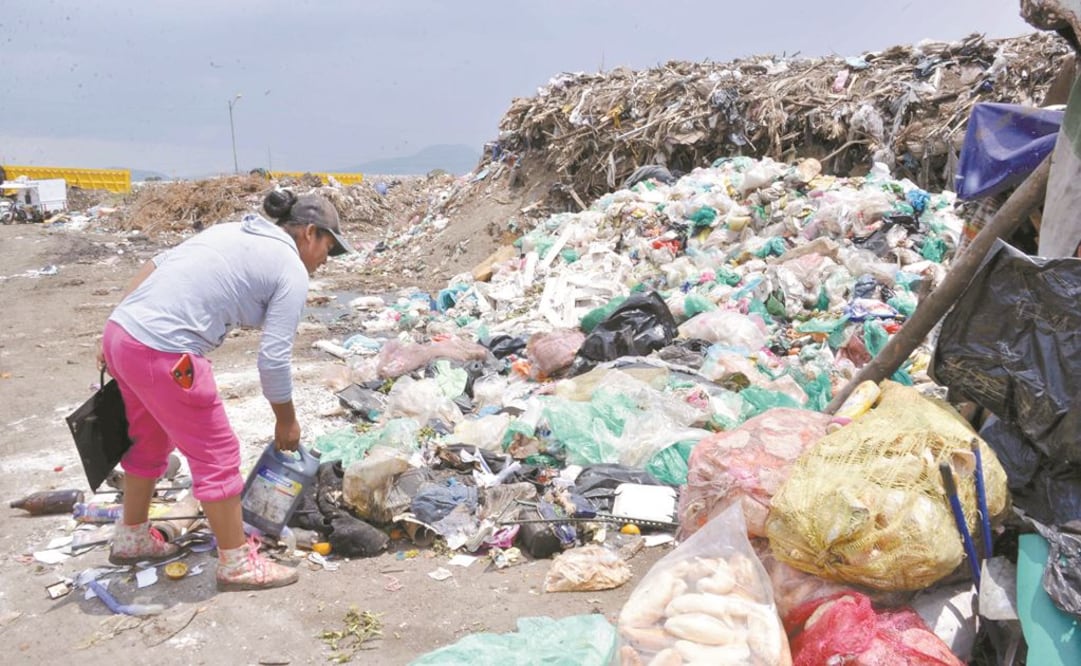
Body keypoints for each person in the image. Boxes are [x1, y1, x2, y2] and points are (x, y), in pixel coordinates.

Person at [98, 190, 352, 591]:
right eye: (329, 247)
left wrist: (117, 323)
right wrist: (287, 422)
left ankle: (132, 537)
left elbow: (156, 264)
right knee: (216, 452)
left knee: (148, 441)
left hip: (122, 334)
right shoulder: (291, 269)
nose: (326, 260)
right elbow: (272, 358)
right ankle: (236, 563)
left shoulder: (234, 231)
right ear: (309, 233)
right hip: (167, 352)